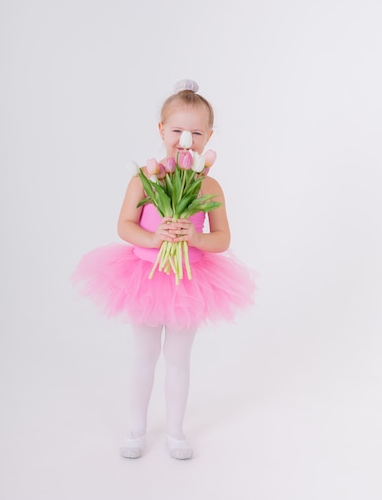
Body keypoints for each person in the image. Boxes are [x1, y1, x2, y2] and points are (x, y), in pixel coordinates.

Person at [72, 79, 255, 460]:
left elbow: (222, 238)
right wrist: (154, 239)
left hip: (189, 281)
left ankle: (175, 431)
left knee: (178, 358)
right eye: (177, 130)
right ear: (161, 130)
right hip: (146, 277)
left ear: (208, 137)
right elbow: (124, 225)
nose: (185, 139)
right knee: (144, 357)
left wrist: (195, 237)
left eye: (196, 133)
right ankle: (136, 430)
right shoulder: (145, 178)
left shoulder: (211, 187)